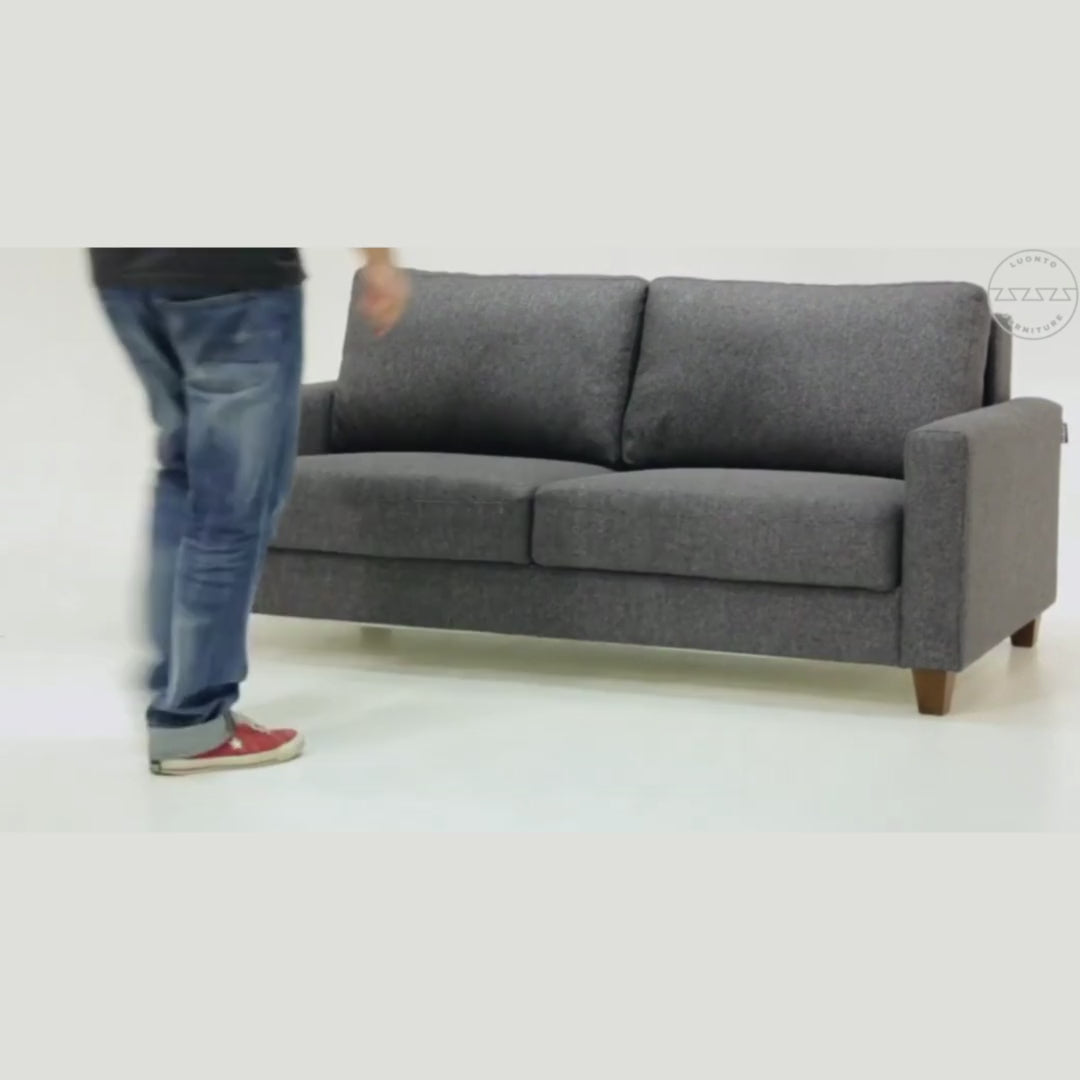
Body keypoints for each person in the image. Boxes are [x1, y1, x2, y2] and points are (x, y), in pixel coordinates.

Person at [91, 248, 410, 775]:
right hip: (231, 278)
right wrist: (380, 262)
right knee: (232, 504)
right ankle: (191, 719)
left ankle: (174, 684)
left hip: (124, 274)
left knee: (184, 477)